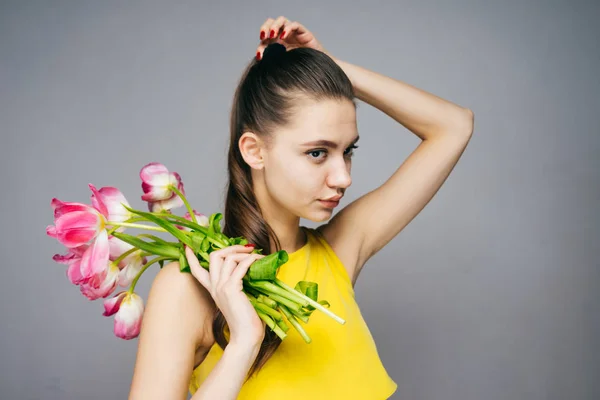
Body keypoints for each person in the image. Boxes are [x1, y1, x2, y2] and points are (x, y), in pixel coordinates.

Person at [127, 16, 474, 400]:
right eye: (317, 153)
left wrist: (328, 65)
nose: (343, 177)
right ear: (254, 151)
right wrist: (243, 343)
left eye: (348, 151)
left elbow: (455, 125)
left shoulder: (337, 252)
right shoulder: (188, 286)